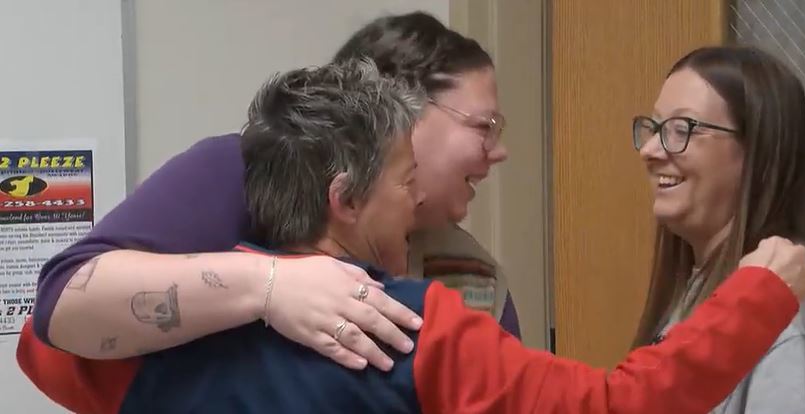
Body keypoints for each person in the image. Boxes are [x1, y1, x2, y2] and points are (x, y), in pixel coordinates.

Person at [19, 57, 805, 414]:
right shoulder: (416, 330)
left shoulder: (153, 350)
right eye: (406, 185)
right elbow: (619, 405)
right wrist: (760, 292)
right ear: (344, 200)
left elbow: (48, 346)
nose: (419, 208)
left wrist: (240, 280)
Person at [25, 11, 517, 375]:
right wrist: (271, 285)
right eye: (484, 126)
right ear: (395, 107)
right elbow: (61, 305)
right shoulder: (242, 170)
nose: (498, 152)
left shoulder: (474, 275)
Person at [631, 45, 805, 413]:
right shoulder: (701, 287)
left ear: (757, 150)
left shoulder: (787, 308)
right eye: (656, 127)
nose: (650, 149)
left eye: (682, 128)